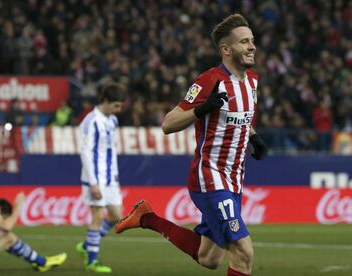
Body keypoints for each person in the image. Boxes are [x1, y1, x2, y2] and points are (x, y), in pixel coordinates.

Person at [115, 14, 268, 276]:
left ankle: (146, 217)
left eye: (252, 40)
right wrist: (203, 108)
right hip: (210, 177)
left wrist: (253, 136)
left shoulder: (252, 80)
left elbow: (240, 117)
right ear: (226, 49)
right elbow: (168, 123)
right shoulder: (209, 81)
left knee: (208, 257)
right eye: (244, 42)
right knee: (243, 252)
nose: (252, 46)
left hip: (234, 180)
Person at [76, 82, 127, 273]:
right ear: (105, 101)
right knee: (97, 217)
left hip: (110, 178)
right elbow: (85, 152)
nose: (119, 110)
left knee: (116, 216)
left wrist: (114, 174)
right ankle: (92, 261)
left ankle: (86, 245)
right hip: (95, 179)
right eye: (116, 105)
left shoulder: (112, 120)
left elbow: (111, 150)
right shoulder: (90, 122)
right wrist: (93, 183)